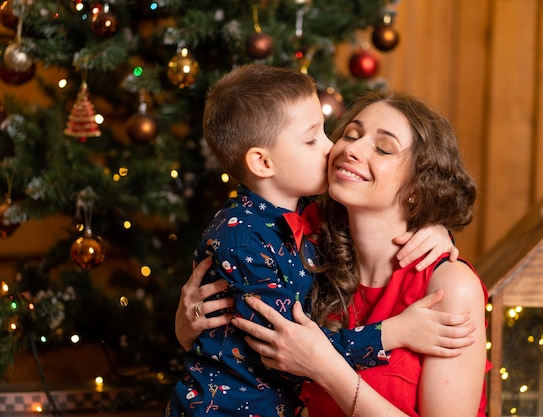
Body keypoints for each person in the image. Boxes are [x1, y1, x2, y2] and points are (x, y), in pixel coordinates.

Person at [167, 65, 475, 417]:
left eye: (383, 148)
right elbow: (263, 342)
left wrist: (437, 229)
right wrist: (186, 327)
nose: (345, 149)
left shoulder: (447, 286)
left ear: (420, 188)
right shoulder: (299, 234)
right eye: (351, 134)